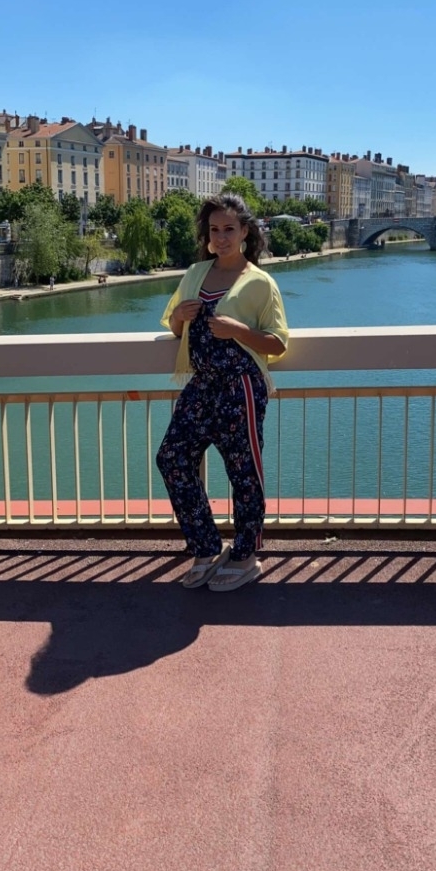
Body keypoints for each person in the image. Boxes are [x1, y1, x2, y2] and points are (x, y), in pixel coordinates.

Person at [156, 193, 289, 592]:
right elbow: (176, 327)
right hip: (201, 383)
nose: (221, 237)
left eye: (229, 229)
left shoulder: (259, 282)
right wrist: (178, 317)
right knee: (172, 458)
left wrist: (238, 331)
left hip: (241, 385)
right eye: (214, 230)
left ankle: (246, 555)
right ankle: (206, 547)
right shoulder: (195, 272)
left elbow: (277, 342)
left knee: (243, 472)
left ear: (245, 231)